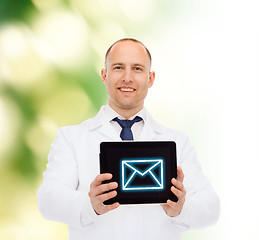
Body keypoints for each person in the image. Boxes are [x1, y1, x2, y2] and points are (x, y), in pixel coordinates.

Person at [37, 38, 220, 240]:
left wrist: (181, 209)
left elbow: (211, 207)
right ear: (104, 75)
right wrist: (89, 205)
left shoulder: (178, 142)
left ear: (150, 79)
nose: (127, 77)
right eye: (118, 67)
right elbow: (47, 200)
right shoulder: (72, 138)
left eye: (137, 69)